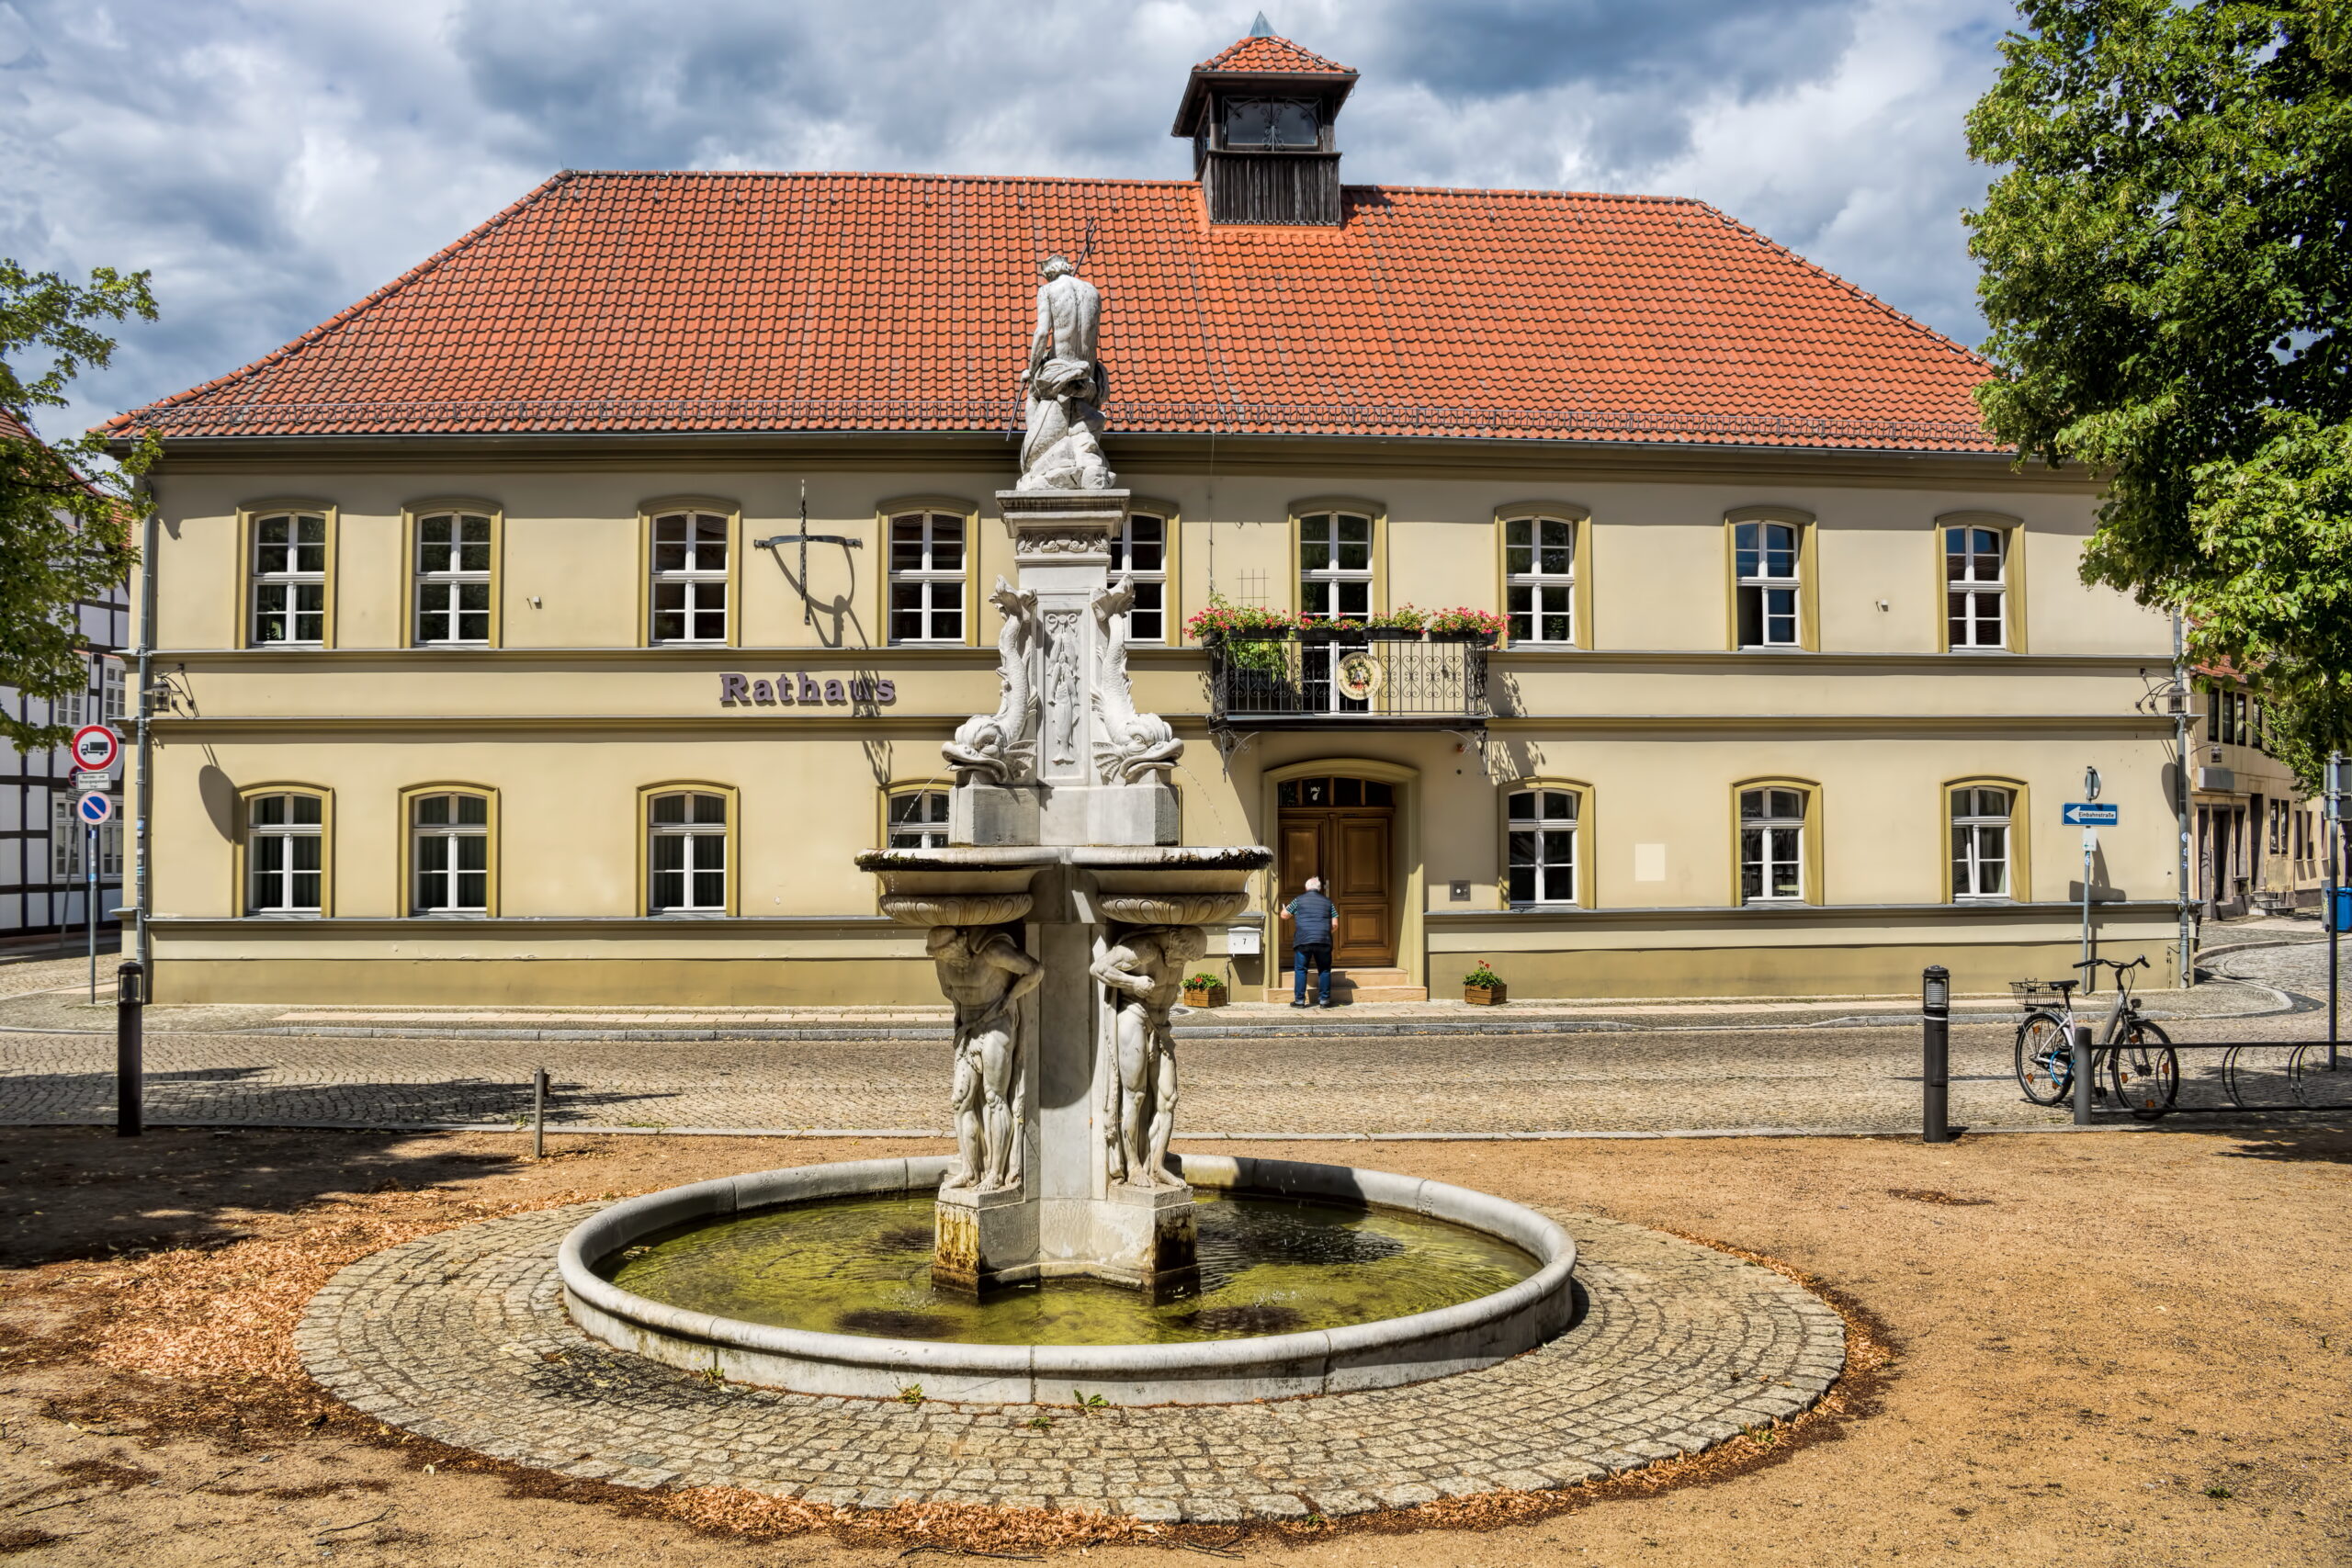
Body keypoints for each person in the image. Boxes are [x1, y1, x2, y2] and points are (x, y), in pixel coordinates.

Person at [1284, 876, 1338, 1008]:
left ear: (1306, 887)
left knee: (1301, 970)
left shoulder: (1298, 900)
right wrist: (1324, 933)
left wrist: (1285, 909)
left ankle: (1299, 1001)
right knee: (1324, 970)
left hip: (1303, 940)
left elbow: (1284, 915)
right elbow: (1335, 924)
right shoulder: (1328, 902)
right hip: (1323, 940)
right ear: (1319, 889)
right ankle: (1324, 1001)